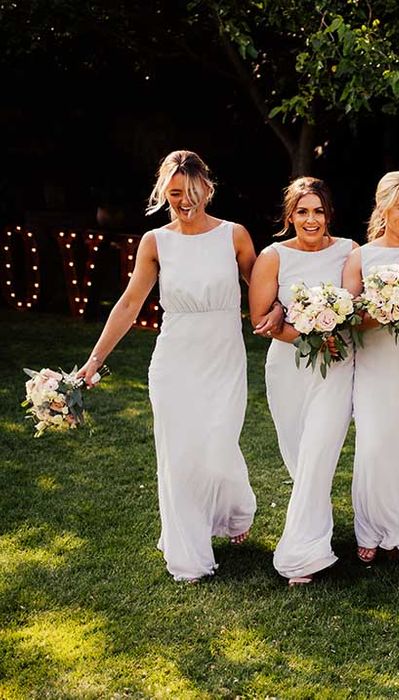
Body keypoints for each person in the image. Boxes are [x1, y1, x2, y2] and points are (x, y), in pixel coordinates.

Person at [79, 150, 259, 581]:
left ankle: (236, 510)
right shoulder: (155, 241)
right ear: (164, 193)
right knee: (178, 457)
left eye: (193, 191)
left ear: (208, 189)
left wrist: (308, 317)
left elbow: (263, 292)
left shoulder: (234, 236)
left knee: (217, 449)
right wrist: (94, 359)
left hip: (223, 357)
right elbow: (128, 303)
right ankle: (188, 555)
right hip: (174, 360)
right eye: (175, 193)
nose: (185, 200)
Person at [249, 176, 356, 586]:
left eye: (318, 211)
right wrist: (306, 332)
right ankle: (315, 524)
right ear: (290, 215)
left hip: (336, 363)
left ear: (329, 213)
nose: (311, 220)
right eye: (302, 212)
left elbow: (353, 305)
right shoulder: (274, 256)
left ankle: (300, 554)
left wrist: (328, 331)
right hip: (289, 368)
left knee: (318, 453)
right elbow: (260, 319)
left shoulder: (349, 251)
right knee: (298, 454)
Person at [342, 171, 399, 564]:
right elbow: (348, 316)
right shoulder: (361, 256)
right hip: (377, 364)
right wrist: (386, 310)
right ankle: (371, 528)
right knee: (375, 444)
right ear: (384, 208)